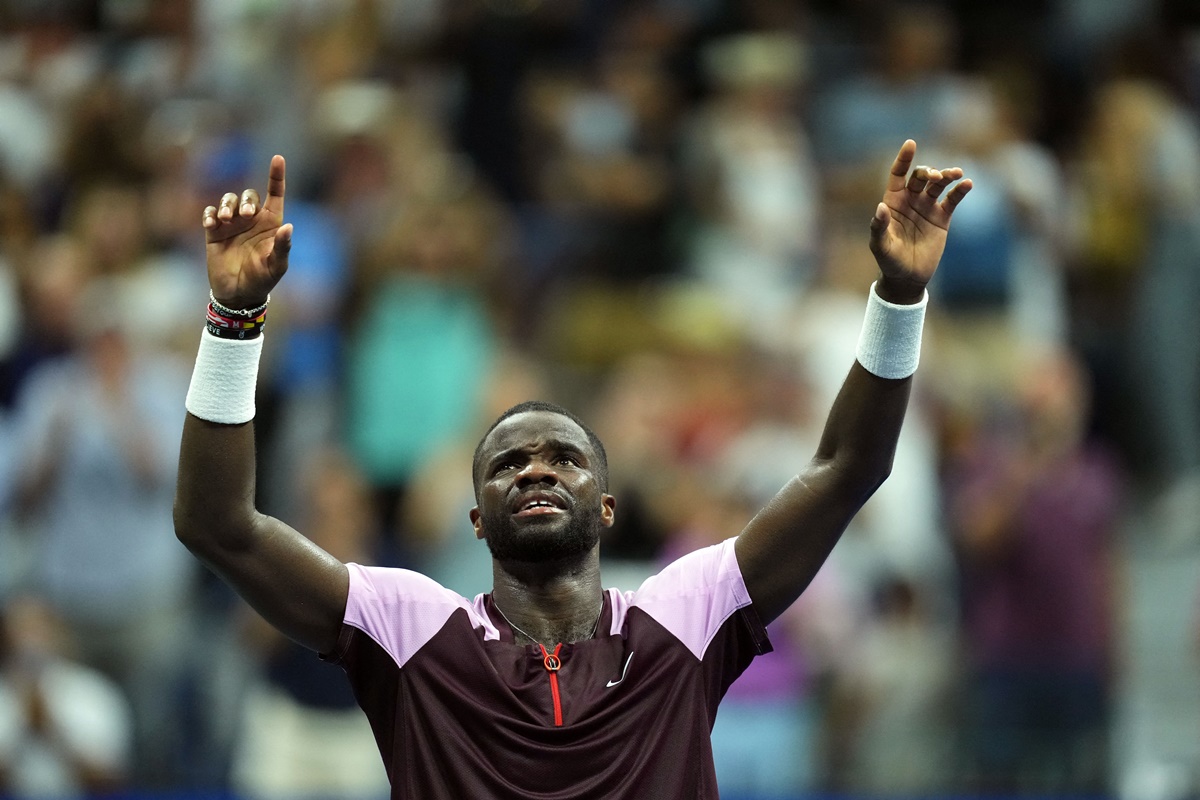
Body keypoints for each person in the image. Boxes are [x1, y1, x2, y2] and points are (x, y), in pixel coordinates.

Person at [174, 140, 971, 798]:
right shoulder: (410, 625)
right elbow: (219, 526)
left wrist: (898, 298)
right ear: (477, 519)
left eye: (564, 457)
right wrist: (235, 320)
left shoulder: (683, 617)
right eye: (508, 463)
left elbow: (846, 469)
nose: (535, 470)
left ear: (610, 507)